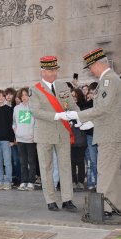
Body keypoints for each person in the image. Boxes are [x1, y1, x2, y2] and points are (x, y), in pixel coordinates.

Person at [62, 48, 121, 217]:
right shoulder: (110, 79)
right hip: (109, 131)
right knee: (112, 172)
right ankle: (114, 204)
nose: (90, 71)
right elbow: (107, 109)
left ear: (98, 64)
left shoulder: (109, 80)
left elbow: (102, 107)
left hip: (109, 133)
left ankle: (105, 208)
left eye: (91, 67)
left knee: (105, 171)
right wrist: (90, 121)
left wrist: (78, 115)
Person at [29, 56, 79, 212]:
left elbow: (72, 105)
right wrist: (57, 116)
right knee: (46, 167)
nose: (53, 73)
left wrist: (80, 118)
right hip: (44, 133)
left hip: (62, 132)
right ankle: (50, 199)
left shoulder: (62, 85)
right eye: (50, 71)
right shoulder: (35, 89)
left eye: (55, 70)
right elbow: (35, 111)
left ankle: (67, 199)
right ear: (42, 72)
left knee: (65, 166)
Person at [13, 88, 37, 191]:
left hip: (31, 138)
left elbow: (36, 123)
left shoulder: (34, 107)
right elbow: (14, 122)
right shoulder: (17, 108)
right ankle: (24, 181)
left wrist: (35, 136)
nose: (24, 97)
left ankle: (31, 181)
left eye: (26, 95)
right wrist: (16, 133)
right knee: (22, 161)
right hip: (20, 138)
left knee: (31, 161)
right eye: (22, 95)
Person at [70, 89, 87, 191]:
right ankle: (73, 181)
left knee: (80, 162)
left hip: (80, 139)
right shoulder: (66, 109)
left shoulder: (83, 108)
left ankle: (80, 182)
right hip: (70, 140)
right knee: (71, 162)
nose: (73, 98)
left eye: (75, 96)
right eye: (72, 96)